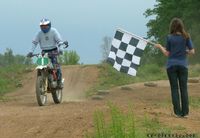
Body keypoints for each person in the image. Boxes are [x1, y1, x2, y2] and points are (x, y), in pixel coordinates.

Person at [155, 17, 195, 118]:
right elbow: (192, 51)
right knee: (183, 89)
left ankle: (177, 113)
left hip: (171, 66)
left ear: (172, 27)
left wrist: (160, 47)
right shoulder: (186, 37)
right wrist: (184, 51)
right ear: (181, 26)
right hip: (183, 66)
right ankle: (185, 113)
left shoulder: (169, 37)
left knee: (174, 89)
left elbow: (167, 53)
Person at [27, 18, 65, 88]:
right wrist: (31, 51)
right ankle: (41, 80)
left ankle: (59, 81)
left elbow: (59, 41)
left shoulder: (54, 31)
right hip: (44, 52)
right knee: (40, 65)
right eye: (42, 26)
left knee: (56, 65)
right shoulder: (39, 33)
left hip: (53, 50)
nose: (44, 27)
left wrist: (61, 49)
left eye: (45, 26)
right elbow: (34, 43)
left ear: (49, 25)